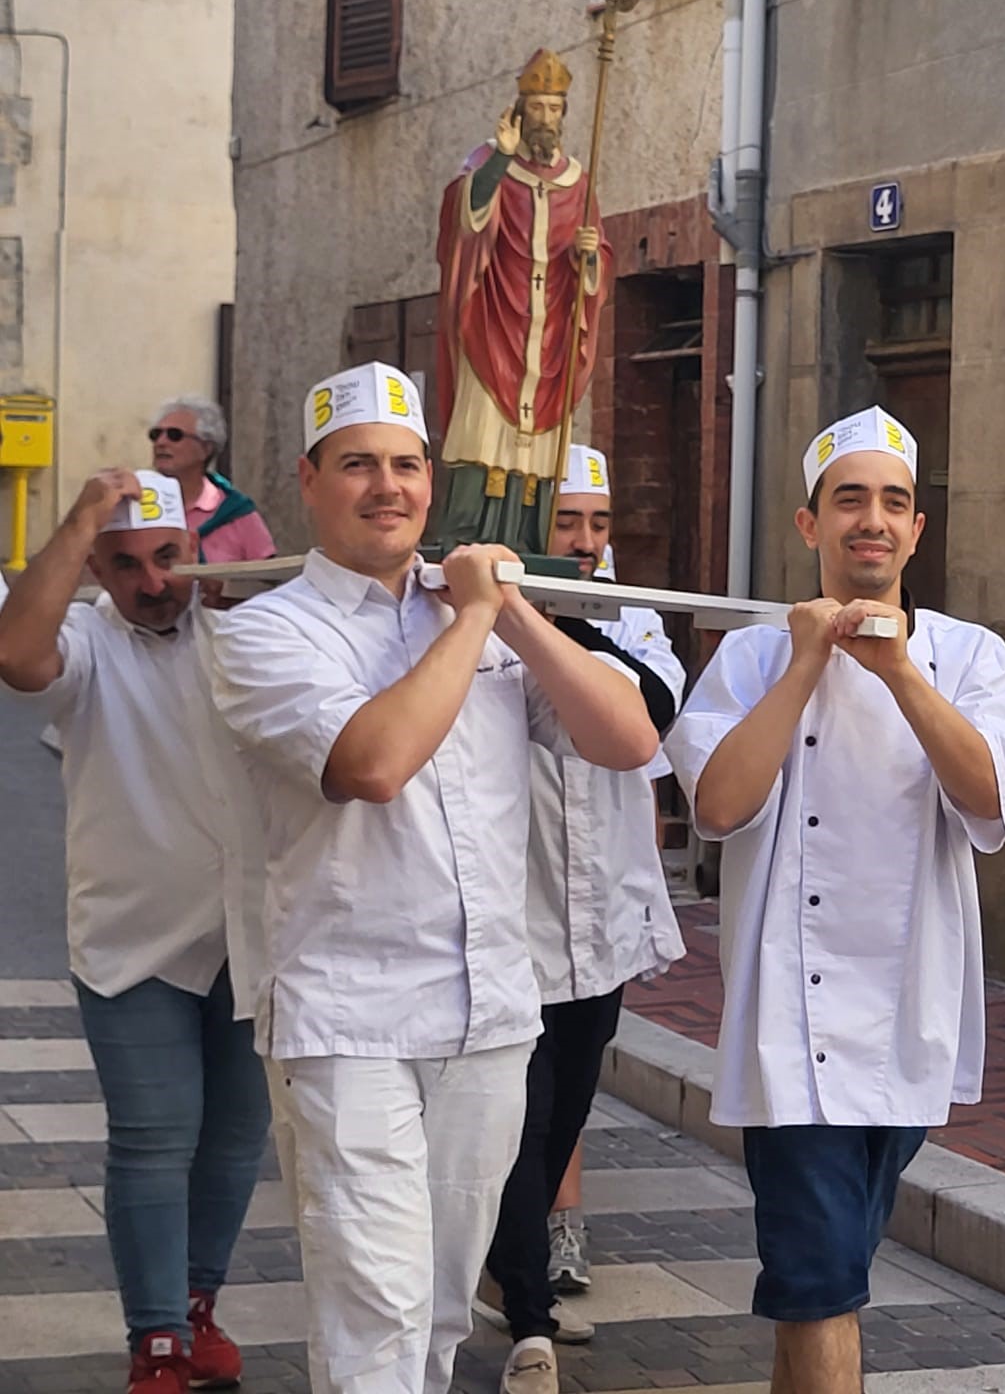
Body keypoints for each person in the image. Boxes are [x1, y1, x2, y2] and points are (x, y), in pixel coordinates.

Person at [208, 364, 658, 1394]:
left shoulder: (487, 622)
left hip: (490, 1016)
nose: (387, 486)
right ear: (309, 481)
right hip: (346, 1017)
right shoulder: (263, 633)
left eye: (406, 464)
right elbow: (371, 762)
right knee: (376, 1308)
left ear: (432, 480)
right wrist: (470, 618)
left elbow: (628, 736)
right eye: (357, 463)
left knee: (443, 1308)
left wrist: (517, 618)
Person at [664, 406, 1005, 1394]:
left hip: (911, 1014)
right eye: (849, 500)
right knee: (822, 1279)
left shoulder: (971, 659)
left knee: (817, 1281)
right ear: (809, 524)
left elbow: (990, 799)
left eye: (893, 502)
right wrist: (807, 662)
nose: (871, 519)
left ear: (917, 530)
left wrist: (897, 670)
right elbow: (718, 803)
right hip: (794, 1027)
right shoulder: (750, 657)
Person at [0, 468, 271, 1394]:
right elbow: (17, 659)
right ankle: (154, 1335)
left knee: (236, 1137)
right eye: (125, 565)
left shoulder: (243, 641)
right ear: (97, 571)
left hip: (251, 934)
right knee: (155, 1138)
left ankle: (198, 1305)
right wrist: (77, 520)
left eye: (168, 557)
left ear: (195, 552)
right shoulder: (81, 642)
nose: (153, 582)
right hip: (134, 938)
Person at [483, 444, 686, 1394]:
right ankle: (527, 1317)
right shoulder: (476, 624)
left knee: (563, 1117)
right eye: (568, 522)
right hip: (509, 919)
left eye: (599, 524)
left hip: (596, 923)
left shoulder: (633, 622)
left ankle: (503, 1264)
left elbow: (655, 713)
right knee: (517, 1124)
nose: (588, 541)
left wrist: (563, 619)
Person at [435, 48, 613, 552]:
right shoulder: (488, 164)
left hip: (551, 329)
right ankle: (468, 534)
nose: (546, 119)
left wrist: (588, 258)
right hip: (493, 320)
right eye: (537, 107)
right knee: (481, 429)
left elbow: (599, 255)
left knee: (539, 446)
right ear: (519, 109)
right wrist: (500, 159)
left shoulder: (579, 181)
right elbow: (464, 219)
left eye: (555, 109)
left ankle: (529, 539)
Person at [149, 398, 276, 562]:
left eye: (174, 435)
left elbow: (268, 576)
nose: (160, 442)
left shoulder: (235, 511)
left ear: (205, 448)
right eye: (155, 434)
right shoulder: (141, 503)